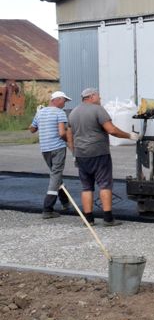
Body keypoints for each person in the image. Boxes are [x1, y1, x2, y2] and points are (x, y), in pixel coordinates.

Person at [67, 88, 136, 226]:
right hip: (98, 152)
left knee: (86, 187)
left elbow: (69, 135)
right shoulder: (98, 110)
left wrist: (74, 152)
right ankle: (108, 218)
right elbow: (112, 130)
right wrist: (130, 136)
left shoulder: (73, 112)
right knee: (104, 184)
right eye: (98, 96)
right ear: (91, 96)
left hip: (81, 154)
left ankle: (89, 219)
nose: (100, 99)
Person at [29, 91, 74, 218]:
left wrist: (38, 116)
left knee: (56, 175)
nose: (65, 103)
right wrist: (69, 142)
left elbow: (32, 129)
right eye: (64, 100)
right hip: (57, 148)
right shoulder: (60, 113)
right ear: (57, 99)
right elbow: (61, 133)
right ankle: (47, 208)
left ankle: (65, 202)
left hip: (45, 149)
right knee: (55, 175)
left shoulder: (40, 112)